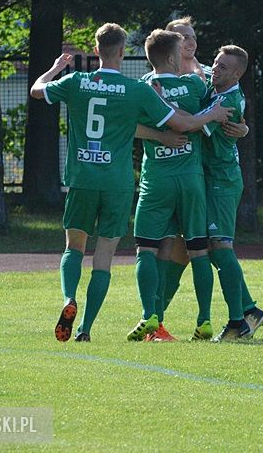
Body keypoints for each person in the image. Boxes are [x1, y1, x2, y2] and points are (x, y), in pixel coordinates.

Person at [29, 23, 232, 343]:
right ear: (123, 52)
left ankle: (70, 299)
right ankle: (85, 329)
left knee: (75, 248)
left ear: (96, 51)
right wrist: (209, 116)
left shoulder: (78, 82)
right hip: (119, 182)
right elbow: (183, 122)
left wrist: (54, 69)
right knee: (106, 257)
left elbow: (37, 91)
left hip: (83, 178)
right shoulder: (135, 90)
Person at [129, 29, 227, 342]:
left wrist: (159, 133)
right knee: (198, 252)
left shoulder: (143, 88)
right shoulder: (193, 84)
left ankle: (150, 316)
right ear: (174, 57)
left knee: (148, 248)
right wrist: (204, 115)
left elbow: (129, 125)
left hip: (156, 180)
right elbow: (197, 110)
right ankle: (205, 320)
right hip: (191, 180)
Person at [199, 44, 263, 342]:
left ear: (238, 74)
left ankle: (238, 322)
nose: (215, 68)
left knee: (220, 246)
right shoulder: (215, 85)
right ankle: (250, 309)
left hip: (221, 181)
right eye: (215, 63)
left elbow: (192, 126)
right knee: (214, 249)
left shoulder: (227, 101)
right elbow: (195, 66)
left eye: (223, 67)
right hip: (212, 179)